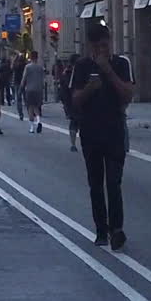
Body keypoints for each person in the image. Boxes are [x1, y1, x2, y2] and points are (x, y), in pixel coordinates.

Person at [71, 25, 134, 250]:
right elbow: (75, 100)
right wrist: (90, 88)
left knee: (114, 182)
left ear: (110, 42)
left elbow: (128, 94)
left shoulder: (121, 63)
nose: (101, 50)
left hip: (115, 129)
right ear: (90, 46)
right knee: (95, 183)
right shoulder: (81, 66)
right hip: (90, 131)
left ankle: (117, 229)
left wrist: (108, 72)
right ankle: (100, 229)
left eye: (105, 45)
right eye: (97, 47)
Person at [58, 54, 81, 152]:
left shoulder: (66, 73)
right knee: (77, 122)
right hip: (76, 101)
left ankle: (73, 144)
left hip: (71, 102)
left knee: (74, 122)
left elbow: (62, 90)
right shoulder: (75, 73)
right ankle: (74, 144)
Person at [20, 51, 46, 134]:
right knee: (36, 106)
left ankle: (31, 127)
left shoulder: (28, 67)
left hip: (30, 89)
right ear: (37, 57)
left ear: (30, 57)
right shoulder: (40, 67)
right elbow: (43, 79)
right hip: (38, 89)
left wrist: (21, 87)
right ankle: (39, 121)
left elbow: (24, 78)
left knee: (30, 107)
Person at [12, 53, 27, 120]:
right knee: (26, 97)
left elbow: (11, 66)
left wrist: (16, 57)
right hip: (25, 82)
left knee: (19, 99)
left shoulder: (16, 65)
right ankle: (31, 111)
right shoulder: (25, 65)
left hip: (17, 83)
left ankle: (21, 114)